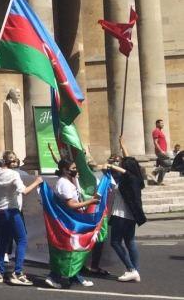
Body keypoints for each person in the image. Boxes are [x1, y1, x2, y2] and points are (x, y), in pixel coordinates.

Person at [44, 158, 101, 289]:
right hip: (70, 221)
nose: (76, 171)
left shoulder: (68, 181)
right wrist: (90, 202)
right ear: (65, 170)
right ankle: (53, 276)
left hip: (73, 219)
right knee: (69, 250)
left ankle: (75, 277)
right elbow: (71, 204)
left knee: (73, 249)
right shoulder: (64, 183)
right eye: (73, 169)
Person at [0, 151, 42, 285]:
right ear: (13, 162)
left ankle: (0, 272)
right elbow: (24, 191)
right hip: (11, 210)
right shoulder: (14, 174)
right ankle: (17, 272)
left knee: (3, 241)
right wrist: (37, 181)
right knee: (22, 239)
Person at [107, 139, 147, 282]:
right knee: (130, 242)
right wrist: (122, 144)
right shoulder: (136, 177)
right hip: (128, 216)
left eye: (122, 164)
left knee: (115, 242)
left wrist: (110, 165)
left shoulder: (131, 179)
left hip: (121, 215)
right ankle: (135, 271)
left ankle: (131, 269)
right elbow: (131, 163)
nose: (120, 164)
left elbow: (127, 171)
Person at [151, 119, 172, 184]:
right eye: (161, 123)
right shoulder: (156, 131)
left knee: (164, 167)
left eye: (163, 123)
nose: (163, 124)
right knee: (168, 165)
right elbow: (155, 142)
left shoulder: (160, 131)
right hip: (160, 151)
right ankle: (154, 172)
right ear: (157, 124)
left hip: (163, 151)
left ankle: (159, 181)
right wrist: (161, 150)